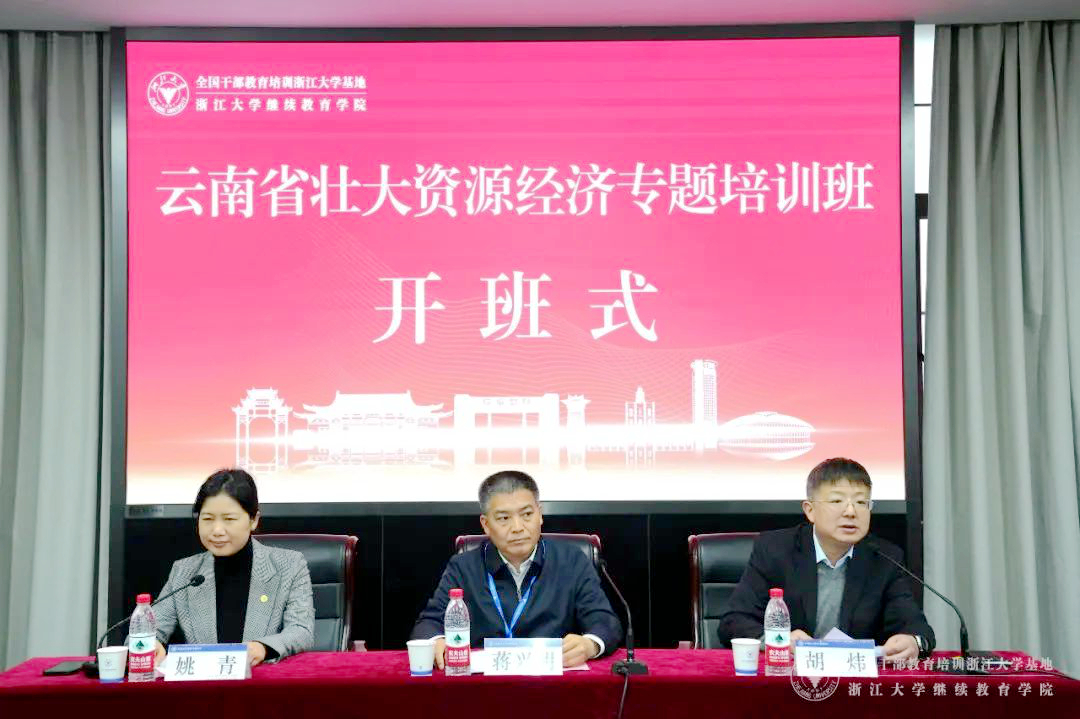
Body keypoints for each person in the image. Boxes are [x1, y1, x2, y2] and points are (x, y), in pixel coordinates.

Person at [718, 458, 935, 662]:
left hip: (853, 680)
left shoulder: (884, 558)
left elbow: (918, 628)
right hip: (789, 676)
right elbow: (733, 622)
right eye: (837, 501)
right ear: (810, 510)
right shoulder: (775, 550)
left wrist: (914, 642)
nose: (850, 511)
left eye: (861, 502)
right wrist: (780, 641)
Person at [411, 470, 623, 668]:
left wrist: (589, 644)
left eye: (527, 514)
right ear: (486, 524)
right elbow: (429, 623)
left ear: (540, 515)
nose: (518, 527)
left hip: (551, 682)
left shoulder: (572, 561)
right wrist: (437, 641)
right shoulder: (463, 567)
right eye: (504, 518)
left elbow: (605, 621)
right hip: (483, 684)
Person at [151, 469, 315, 667]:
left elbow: (301, 630)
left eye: (229, 519)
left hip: (262, 680)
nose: (217, 530)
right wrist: (152, 644)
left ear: (253, 520)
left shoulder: (289, 565)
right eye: (207, 519)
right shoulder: (185, 572)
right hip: (206, 684)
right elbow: (150, 628)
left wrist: (262, 648)